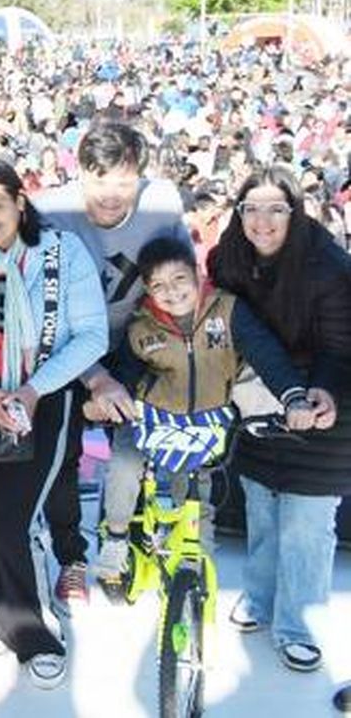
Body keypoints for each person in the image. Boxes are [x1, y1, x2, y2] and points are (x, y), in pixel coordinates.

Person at [0, 159, 107, 689]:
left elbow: (91, 335)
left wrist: (33, 390)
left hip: (46, 400)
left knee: (12, 517)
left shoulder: (62, 254)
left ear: (20, 203)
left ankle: (31, 632)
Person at [31, 121, 192, 605]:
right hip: (62, 342)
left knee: (139, 437)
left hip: (135, 338)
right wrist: (94, 379)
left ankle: (125, 533)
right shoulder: (48, 214)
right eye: (100, 179)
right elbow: (44, 312)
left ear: (140, 178)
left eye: (125, 181)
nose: (112, 195)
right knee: (61, 452)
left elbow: (182, 287)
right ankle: (71, 556)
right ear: (79, 172)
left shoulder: (161, 205)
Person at [96, 235, 313, 593]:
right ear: (148, 290)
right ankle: (117, 536)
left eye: (180, 279)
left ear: (197, 274)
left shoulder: (228, 311)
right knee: (124, 465)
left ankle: (196, 565)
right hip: (150, 417)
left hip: (205, 421)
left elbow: (266, 354)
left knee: (196, 495)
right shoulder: (141, 325)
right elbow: (125, 375)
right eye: (159, 285)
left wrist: (294, 399)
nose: (172, 292)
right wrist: (109, 403)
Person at [207, 165, 348, 672]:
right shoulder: (227, 259)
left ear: (295, 212)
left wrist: (321, 393)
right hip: (258, 396)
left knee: (308, 523)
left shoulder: (328, 266)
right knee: (262, 506)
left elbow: (339, 344)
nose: (262, 221)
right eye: (251, 209)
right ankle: (262, 597)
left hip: (324, 402)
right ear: (238, 212)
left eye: (276, 210)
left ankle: (299, 622)